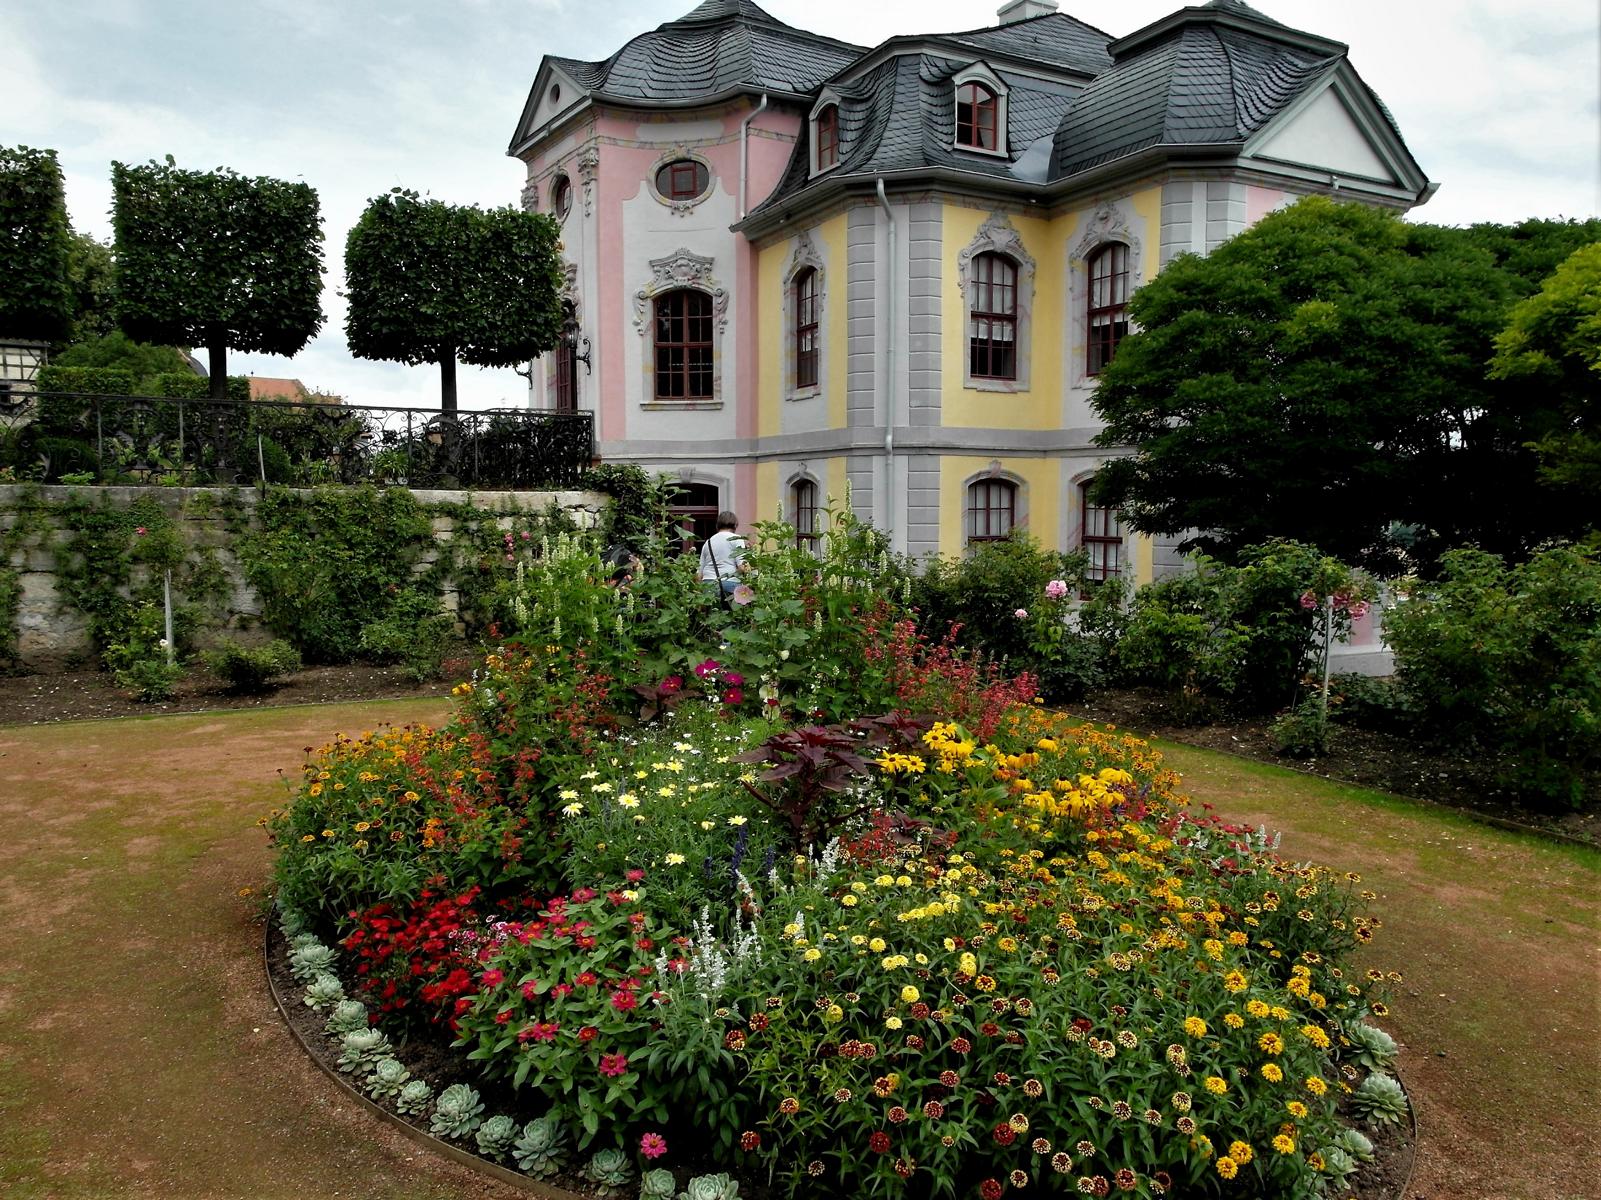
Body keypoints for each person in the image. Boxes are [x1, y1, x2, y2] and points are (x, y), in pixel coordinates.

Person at [699, 511, 746, 598]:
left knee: (711, 607)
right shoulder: (737, 539)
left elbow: (699, 574)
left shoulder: (708, 542)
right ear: (735, 525)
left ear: (717, 525)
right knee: (732, 607)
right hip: (729, 582)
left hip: (708, 583)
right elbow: (742, 567)